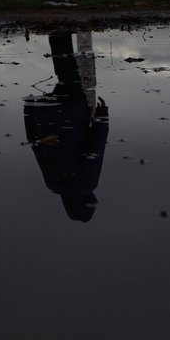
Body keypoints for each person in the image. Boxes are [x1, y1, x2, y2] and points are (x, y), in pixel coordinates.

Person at [23, 32, 110, 221]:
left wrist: (102, 117)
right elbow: (36, 145)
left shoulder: (87, 184)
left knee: (71, 78)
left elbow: (95, 147)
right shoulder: (52, 184)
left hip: (73, 112)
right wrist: (29, 110)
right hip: (46, 113)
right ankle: (58, 36)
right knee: (66, 77)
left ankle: (62, 34)